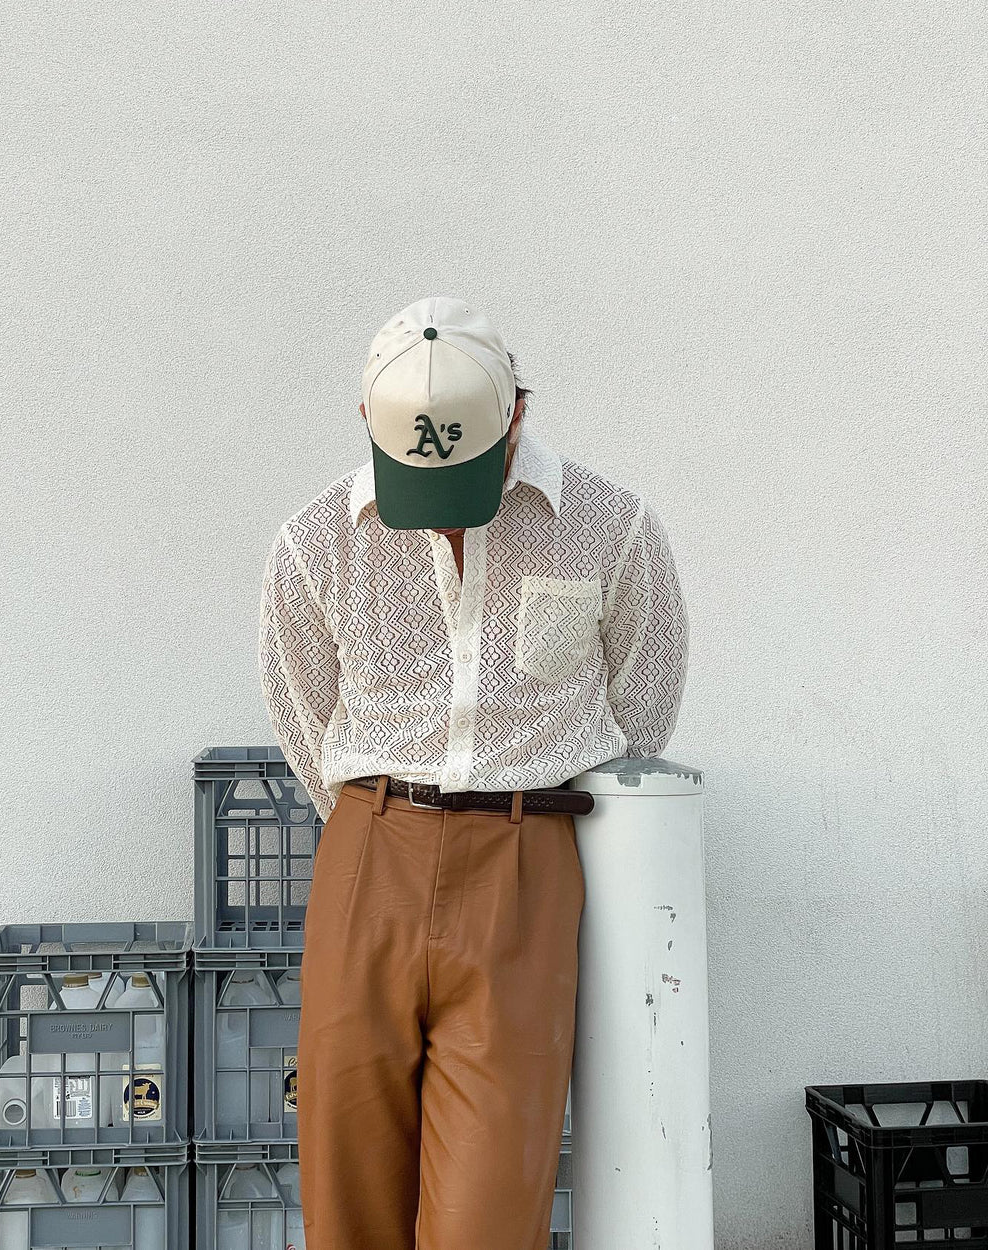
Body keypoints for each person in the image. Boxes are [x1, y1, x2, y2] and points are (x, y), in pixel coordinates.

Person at [258, 294, 689, 1250]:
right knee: (348, 1190)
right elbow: (302, 714)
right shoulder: (316, 540)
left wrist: (528, 806)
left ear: (517, 417)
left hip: (526, 863)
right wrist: (381, 821)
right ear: (368, 420)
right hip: (369, 854)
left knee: (490, 1211)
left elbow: (643, 708)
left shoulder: (609, 526)